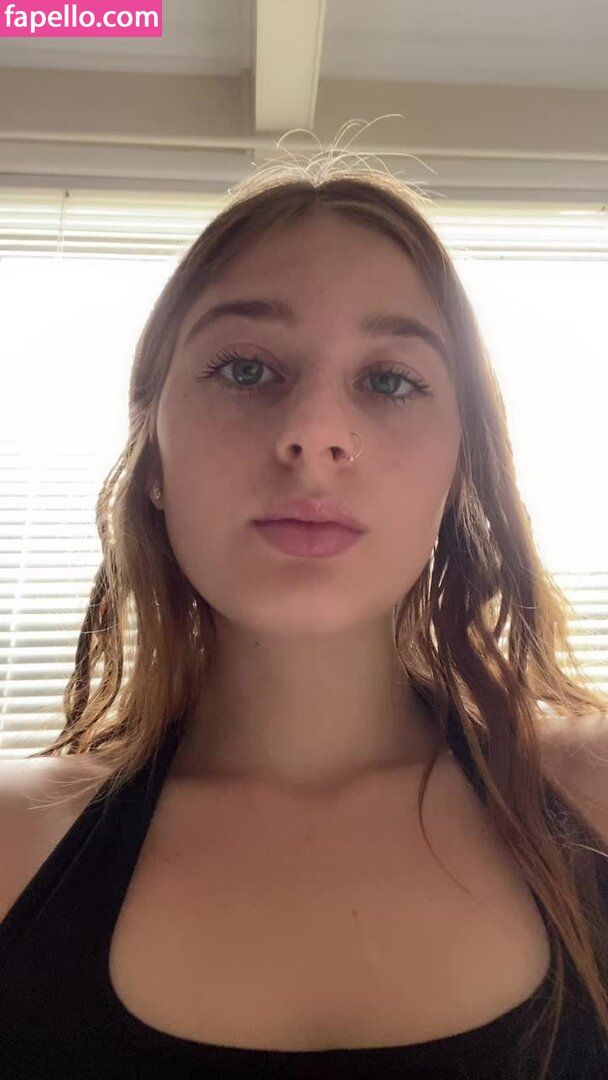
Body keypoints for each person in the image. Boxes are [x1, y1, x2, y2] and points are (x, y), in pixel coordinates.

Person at [2, 151, 607, 1080]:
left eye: (391, 380)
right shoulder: (15, 846)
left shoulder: (594, 798)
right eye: (246, 368)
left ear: (459, 471)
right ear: (153, 457)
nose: (315, 432)